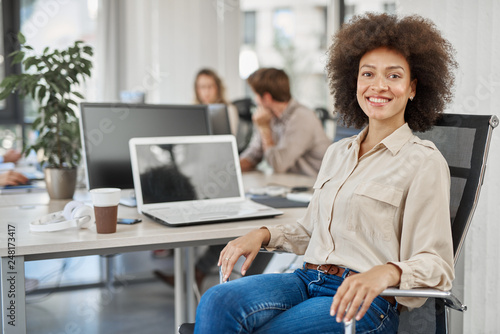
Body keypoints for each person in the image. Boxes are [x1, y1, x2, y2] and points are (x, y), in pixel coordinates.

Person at [194, 13, 457, 334]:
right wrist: (262, 234)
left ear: (413, 88)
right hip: (306, 278)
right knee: (215, 301)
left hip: (365, 300)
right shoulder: (339, 153)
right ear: (354, 82)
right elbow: (311, 228)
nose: (379, 85)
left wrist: (385, 273)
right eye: (368, 74)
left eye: (394, 76)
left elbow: (437, 264)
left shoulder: (424, 162)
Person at [239, 68, 331, 177]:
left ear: (267, 98)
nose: (255, 101)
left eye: (256, 96)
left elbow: (279, 165)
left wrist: (265, 130)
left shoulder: (302, 117)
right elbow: (253, 155)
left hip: (313, 185)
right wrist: (230, 168)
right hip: (289, 183)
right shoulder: (268, 117)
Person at [194, 68, 239, 136]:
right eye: (202, 87)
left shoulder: (229, 110)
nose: (206, 92)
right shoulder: (194, 111)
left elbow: (232, 137)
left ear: (217, 88)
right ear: (197, 90)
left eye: (210, 87)